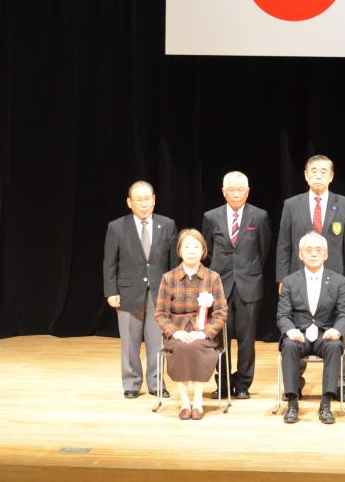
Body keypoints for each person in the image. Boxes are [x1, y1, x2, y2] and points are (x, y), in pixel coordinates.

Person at [276, 155, 345, 400]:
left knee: (336, 332)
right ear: (305, 175)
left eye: (324, 171)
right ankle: (294, 384)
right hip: (299, 278)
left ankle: (339, 385)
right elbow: (283, 245)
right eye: (314, 171)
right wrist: (282, 279)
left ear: (331, 176)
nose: (318, 175)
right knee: (299, 328)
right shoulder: (292, 204)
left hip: (335, 281)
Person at [103, 181, 179, 399]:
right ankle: (132, 383)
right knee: (129, 342)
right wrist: (111, 291)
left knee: (157, 342)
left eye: (148, 199)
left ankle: (156, 383)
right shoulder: (117, 226)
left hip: (159, 294)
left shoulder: (167, 224)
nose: (144, 204)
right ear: (129, 202)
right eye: (139, 200)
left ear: (154, 200)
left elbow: (174, 263)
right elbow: (110, 262)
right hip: (127, 293)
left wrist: (173, 293)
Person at [201, 171, 272, 399]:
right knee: (220, 337)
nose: (236, 194)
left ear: (247, 192)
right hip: (220, 286)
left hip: (249, 285)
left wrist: (247, 270)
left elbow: (263, 250)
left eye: (240, 190)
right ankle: (222, 384)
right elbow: (206, 250)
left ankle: (242, 384)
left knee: (246, 338)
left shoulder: (259, 216)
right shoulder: (211, 217)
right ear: (224, 192)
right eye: (231, 190)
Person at [277, 232, 345, 424]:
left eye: (318, 250)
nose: (313, 254)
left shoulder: (338, 280)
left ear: (326, 254)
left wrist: (337, 330)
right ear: (300, 254)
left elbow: (344, 314)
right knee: (289, 345)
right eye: (308, 250)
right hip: (299, 335)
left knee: (335, 346)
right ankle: (292, 403)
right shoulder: (290, 281)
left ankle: (326, 403)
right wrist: (290, 330)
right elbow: (283, 315)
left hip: (324, 335)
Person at [155, 229, 228, 420]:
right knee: (182, 347)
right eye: (187, 246)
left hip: (203, 331)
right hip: (177, 331)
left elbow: (221, 313)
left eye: (196, 246)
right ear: (179, 250)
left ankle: (197, 402)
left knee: (195, 346)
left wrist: (205, 332)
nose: (191, 251)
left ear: (203, 251)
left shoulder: (213, 277)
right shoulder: (168, 278)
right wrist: (174, 332)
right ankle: (184, 402)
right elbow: (160, 313)